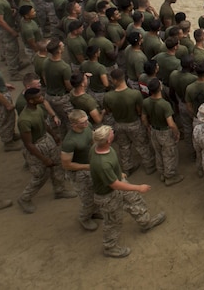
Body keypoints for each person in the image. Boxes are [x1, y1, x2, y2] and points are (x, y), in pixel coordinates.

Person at [89, 125, 167, 258]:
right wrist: (138, 187)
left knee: (135, 200)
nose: (113, 132)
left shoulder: (99, 148)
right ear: (108, 141)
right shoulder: (103, 163)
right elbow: (114, 185)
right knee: (113, 221)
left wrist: (119, 173)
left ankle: (145, 222)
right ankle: (110, 247)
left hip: (118, 182)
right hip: (107, 195)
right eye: (110, 133)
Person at [17, 88, 75, 213]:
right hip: (36, 146)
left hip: (46, 140)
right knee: (40, 175)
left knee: (58, 165)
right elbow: (28, 144)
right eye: (39, 97)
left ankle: (59, 190)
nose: (42, 98)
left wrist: (54, 135)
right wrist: (44, 159)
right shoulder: (24, 120)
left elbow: (43, 123)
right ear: (31, 101)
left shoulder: (37, 108)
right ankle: (25, 198)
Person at [60, 109, 101, 231]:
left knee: (96, 192)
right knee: (87, 198)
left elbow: (93, 140)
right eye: (82, 122)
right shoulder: (70, 142)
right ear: (73, 125)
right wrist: (86, 167)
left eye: (87, 120)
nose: (86, 123)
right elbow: (66, 164)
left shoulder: (87, 127)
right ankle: (84, 218)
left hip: (90, 165)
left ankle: (94, 212)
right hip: (79, 173)